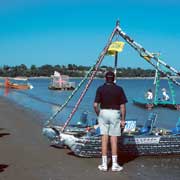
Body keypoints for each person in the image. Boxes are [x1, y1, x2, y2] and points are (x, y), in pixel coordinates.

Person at [93, 71, 128, 172]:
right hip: (114, 113)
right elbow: (123, 106)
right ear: (114, 78)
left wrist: (99, 114)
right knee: (114, 139)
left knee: (104, 139)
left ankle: (104, 165)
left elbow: (95, 105)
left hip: (103, 112)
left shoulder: (100, 89)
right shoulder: (119, 89)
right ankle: (114, 165)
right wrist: (123, 120)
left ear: (105, 78)